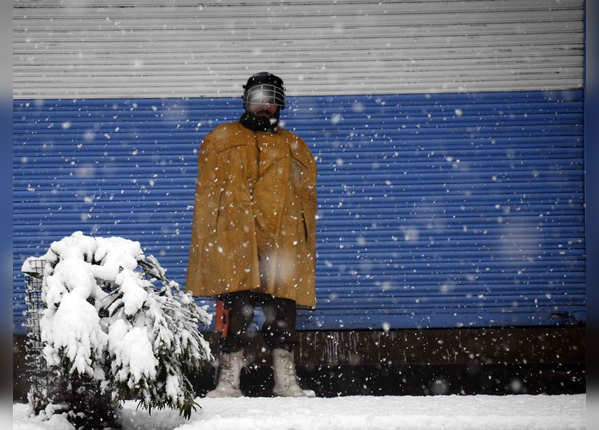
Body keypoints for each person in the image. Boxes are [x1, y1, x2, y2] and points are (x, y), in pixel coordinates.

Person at [186, 72, 317, 397]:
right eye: (259, 97)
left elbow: (304, 201)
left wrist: (297, 243)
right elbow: (207, 197)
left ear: (281, 104)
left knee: (283, 310)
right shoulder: (221, 139)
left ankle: (286, 382)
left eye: (272, 98)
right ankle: (228, 382)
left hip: (280, 242)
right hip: (235, 243)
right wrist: (214, 241)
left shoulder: (293, 146)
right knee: (237, 310)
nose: (265, 105)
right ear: (246, 100)